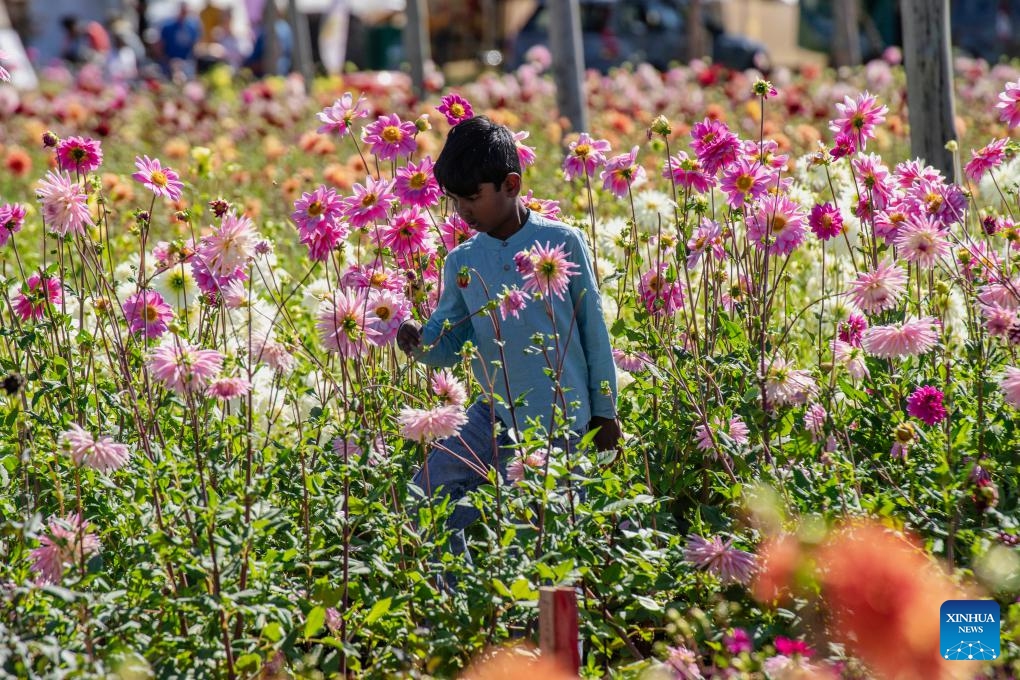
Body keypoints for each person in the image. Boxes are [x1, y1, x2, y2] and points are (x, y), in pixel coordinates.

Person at [397, 116, 622, 555]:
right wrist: (417, 342)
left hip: (560, 422)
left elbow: (594, 332)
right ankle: (457, 602)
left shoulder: (562, 242)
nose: (462, 210)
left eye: (472, 197)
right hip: (494, 414)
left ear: (511, 185)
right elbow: (446, 345)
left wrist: (605, 411)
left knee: (536, 535)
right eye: (454, 199)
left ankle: (530, 620)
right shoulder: (463, 260)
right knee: (426, 496)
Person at [157, 2, 201, 79]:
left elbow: (194, 46)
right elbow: (161, 46)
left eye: (186, 12)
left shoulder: (192, 27)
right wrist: (167, 61)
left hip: (186, 62)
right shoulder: (168, 27)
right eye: (182, 11)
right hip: (169, 62)